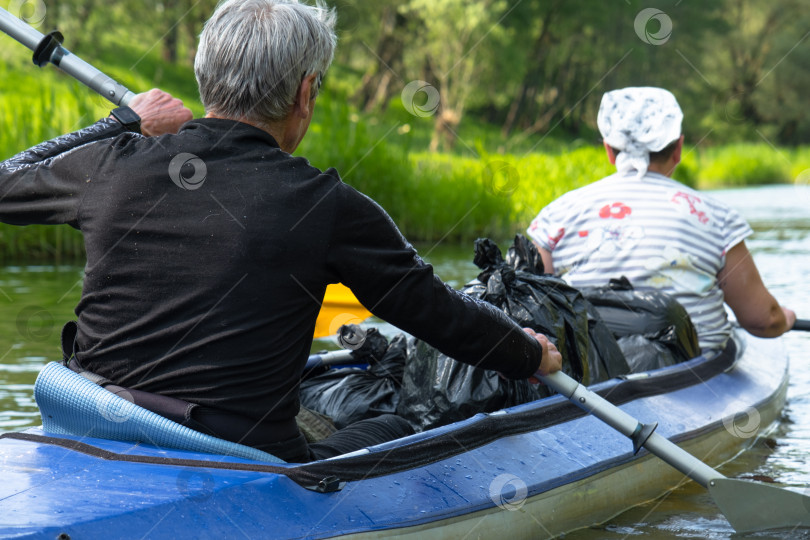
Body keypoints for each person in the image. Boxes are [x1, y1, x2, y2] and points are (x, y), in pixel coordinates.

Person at [0, 0, 561, 463]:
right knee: (402, 419)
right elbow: (441, 316)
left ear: (206, 78)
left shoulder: (112, 164)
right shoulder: (329, 206)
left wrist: (122, 122)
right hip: (237, 453)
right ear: (306, 92)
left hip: (89, 417)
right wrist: (528, 355)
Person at [527, 86, 795, 355]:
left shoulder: (555, 216)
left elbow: (536, 311)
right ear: (678, 149)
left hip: (589, 377)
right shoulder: (717, 217)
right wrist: (784, 318)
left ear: (609, 151)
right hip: (692, 373)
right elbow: (763, 320)